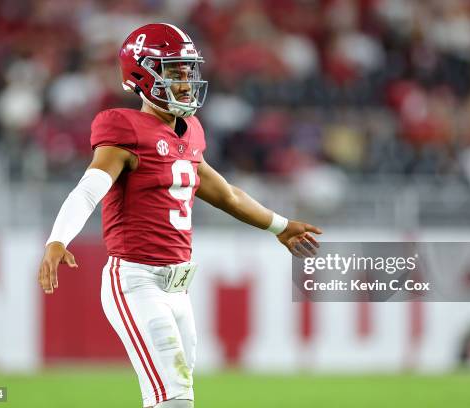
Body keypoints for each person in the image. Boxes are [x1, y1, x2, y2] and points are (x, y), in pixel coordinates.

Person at [37, 23, 322, 408]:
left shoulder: (189, 134)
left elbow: (226, 194)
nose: (185, 81)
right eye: (173, 71)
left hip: (177, 288)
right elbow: (89, 189)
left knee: (174, 397)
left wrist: (281, 226)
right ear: (141, 74)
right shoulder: (125, 130)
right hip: (136, 282)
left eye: (188, 71)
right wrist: (58, 238)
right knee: (173, 397)